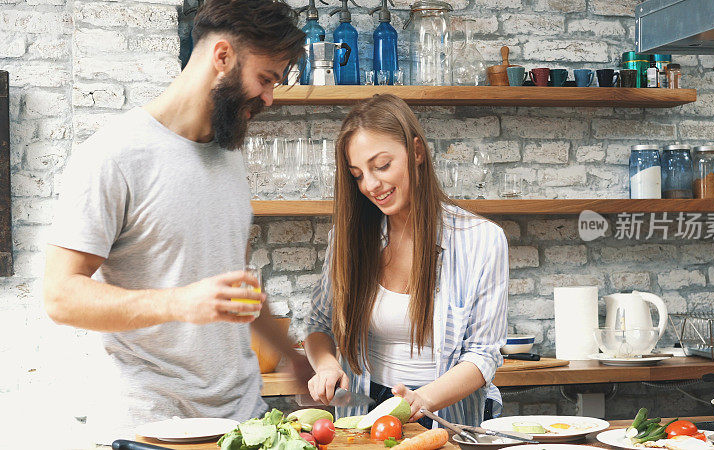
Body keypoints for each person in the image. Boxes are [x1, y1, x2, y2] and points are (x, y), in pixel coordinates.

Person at [42, 0, 313, 435]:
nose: (270, 97)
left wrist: (293, 357)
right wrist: (178, 302)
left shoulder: (228, 156)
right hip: (151, 426)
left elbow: (234, 285)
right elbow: (60, 296)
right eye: (265, 79)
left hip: (242, 421)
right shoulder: (112, 156)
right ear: (222, 56)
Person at [304, 94, 508, 428]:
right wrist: (326, 365)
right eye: (357, 174)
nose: (371, 185)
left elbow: (483, 355)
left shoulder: (482, 240)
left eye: (381, 166)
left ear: (416, 152)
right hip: (363, 414)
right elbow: (318, 324)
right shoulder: (348, 238)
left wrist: (422, 399)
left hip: (441, 414)